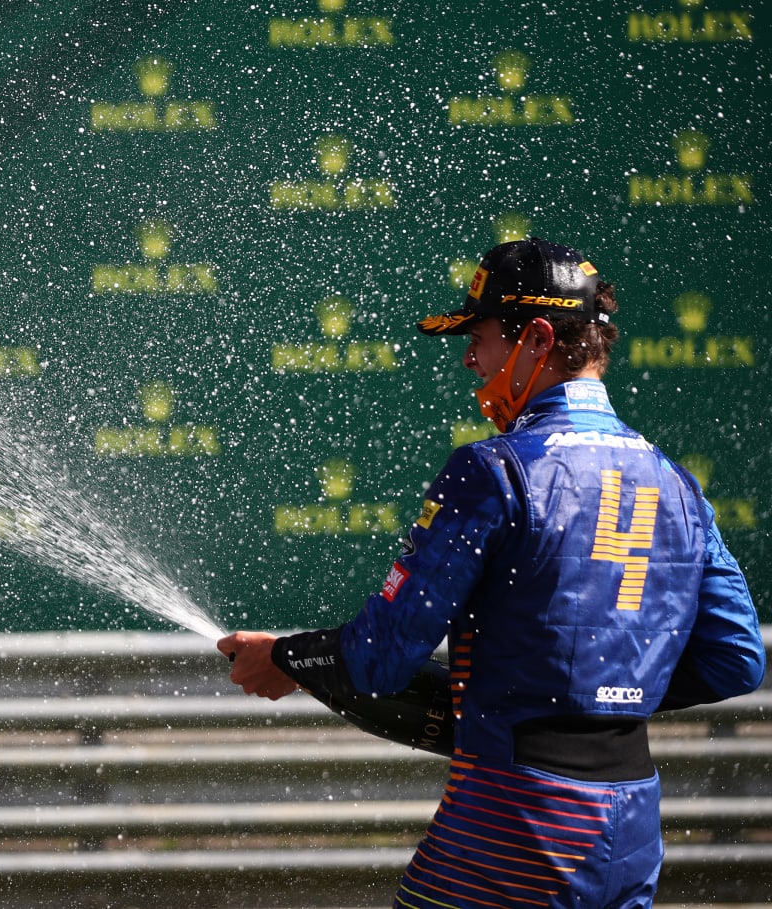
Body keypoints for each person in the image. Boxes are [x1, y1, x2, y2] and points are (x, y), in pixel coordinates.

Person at [219, 237, 765, 909]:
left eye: (479, 338)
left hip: (515, 829)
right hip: (631, 830)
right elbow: (737, 660)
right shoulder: (679, 484)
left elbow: (384, 657)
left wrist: (286, 657)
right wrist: (597, 694)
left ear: (536, 338)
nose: (471, 359)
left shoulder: (493, 470)